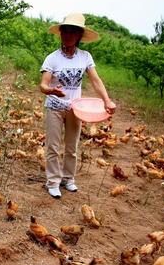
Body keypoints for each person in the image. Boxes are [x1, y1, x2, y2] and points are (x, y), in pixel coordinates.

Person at [39, 13, 116, 199]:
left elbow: (96, 80)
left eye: (73, 32)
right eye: (65, 31)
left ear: (79, 35)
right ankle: (53, 182)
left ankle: (68, 179)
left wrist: (107, 100)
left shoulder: (85, 57)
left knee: (72, 147)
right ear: (61, 34)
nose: (68, 35)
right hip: (55, 107)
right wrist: (51, 91)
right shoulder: (52, 58)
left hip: (75, 108)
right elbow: (43, 84)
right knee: (53, 146)